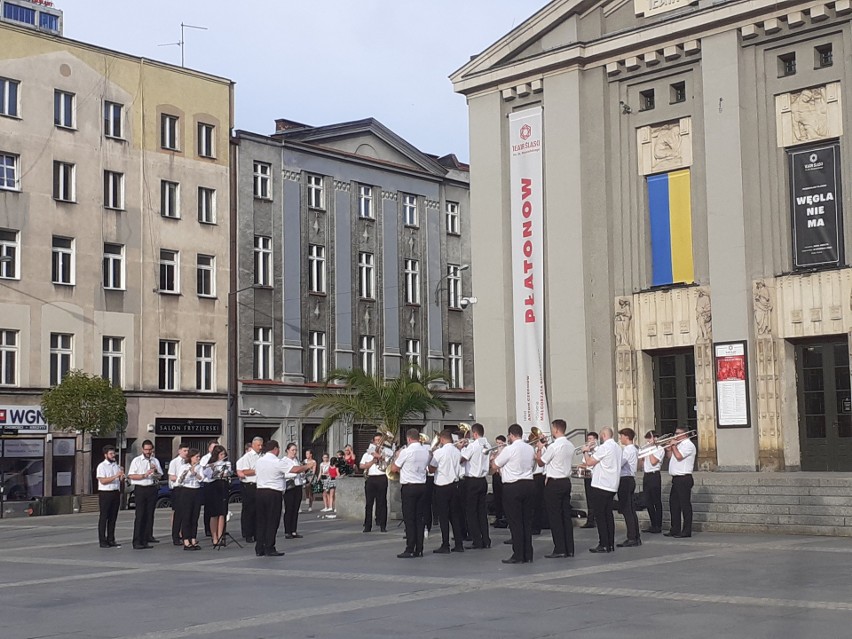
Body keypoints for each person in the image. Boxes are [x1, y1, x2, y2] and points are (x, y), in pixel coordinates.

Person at [492, 424, 535, 564]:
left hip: (513, 486)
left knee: (515, 521)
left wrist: (495, 456)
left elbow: (495, 466)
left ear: (511, 435)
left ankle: (518, 554)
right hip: (528, 484)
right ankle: (528, 554)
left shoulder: (509, 449)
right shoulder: (530, 448)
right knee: (526, 521)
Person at [390, 428, 431, 559]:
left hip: (409, 487)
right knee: (420, 518)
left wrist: (397, 455)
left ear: (408, 438)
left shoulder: (406, 451)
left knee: (409, 519)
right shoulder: (426, 451)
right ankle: (419, 548)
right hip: (422, 486)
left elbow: (394, 468)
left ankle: (410, 548)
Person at [536, 419, 574, 558]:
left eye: (552, 429)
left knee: (555, 517)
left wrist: (540, 449)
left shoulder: (554, 446)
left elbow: (541, 462)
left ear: (556, 429)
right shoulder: (569, 444)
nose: (552, 431)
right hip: (565, 481)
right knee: (565, 515)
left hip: (554, 482)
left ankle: (559, 548)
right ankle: (569, 548)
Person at [582, 426, 621, 553]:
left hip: (601, 485)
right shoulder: (617, 447)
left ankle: (603, 543)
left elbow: (589, 462)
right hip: (612, 484)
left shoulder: (605, 447)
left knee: (601, 516)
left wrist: (585, 451)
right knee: (608, 515)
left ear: (604, 435)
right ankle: (610, 543)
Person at [429, 430, 464, 554]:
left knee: (443, 517)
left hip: (442, 486)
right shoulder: (457, 451)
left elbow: (432, 469)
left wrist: (431, 456)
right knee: (455, 516)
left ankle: (445, 544)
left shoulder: (439, 452)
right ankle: (459, 544)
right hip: (455, 485)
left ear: (442, 439)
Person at [254, 440, 288, 557]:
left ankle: (259, 547)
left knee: (261, 520)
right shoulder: (276, 461)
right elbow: (293, 470)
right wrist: (307, 466)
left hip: (260, 491)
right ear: (275, 449)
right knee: (272, 520)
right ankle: (269, 546)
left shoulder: (259, 461)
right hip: (273, 492)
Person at [460, 423, 491, 549]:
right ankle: (486, 539)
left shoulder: (473, 446)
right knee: (482, 512)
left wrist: (461, 447)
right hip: (482, 480)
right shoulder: (487, 444)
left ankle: (477, 540)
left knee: (471, 512)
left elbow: (462, 459)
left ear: (475, 433)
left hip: (472, 480)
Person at [127, 439, 162, 550]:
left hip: (152, 488)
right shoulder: (136, 461)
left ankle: (146, 539)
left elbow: (160, 475)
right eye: (146, 449)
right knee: (140, 515)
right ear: (142, 449)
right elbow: (131, 476)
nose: (148, 452)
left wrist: (155, 471)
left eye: (150, 449)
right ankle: (137, 541)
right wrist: (144, 475)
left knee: (149, 514)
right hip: (141, 489)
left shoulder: (155, 460)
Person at [665, 427, 696, 538]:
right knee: (674, 505)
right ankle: (675, 529)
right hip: (676, 479)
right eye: (675, 433)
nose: (675, 435)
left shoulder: (689, 445)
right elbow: (670, 457)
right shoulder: (679, 445)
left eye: (678, 433)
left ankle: (686, 530)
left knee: (685, 505)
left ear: (685, 434)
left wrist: (673, 446)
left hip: (684, 478)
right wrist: (669, 449)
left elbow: (679, 457)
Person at [359, 433, 390, 533]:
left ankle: (383, 525)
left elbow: (389, 463)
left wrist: (380, 457)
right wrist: (373, 461)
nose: (378, 442)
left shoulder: (386, 451)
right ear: (373, 441)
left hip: (382, 477)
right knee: (369, 503)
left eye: (379, 440)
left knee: (382, 503)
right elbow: (361, 466)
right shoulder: (367, 454)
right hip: (371, 478)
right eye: (376, 440)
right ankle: (367, 526)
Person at [616, 428, 641, 548]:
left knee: (627, 510)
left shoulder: (627, 450)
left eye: (621, 436)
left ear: (626, 436)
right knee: (630, 509)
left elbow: (619, 464)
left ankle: (631, 537)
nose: (620, 439)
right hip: (629, 479)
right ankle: (635, 536)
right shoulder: (634, 449)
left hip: (625, 480)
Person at [176, 448, 205, 550]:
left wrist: (195, 474)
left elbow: (202, 479)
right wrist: (186, 474)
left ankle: (193, 538)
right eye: (196, 457)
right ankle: (186, 540)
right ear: (191, 458)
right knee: (186, 516)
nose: (198, 458)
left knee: (195, 516)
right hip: (186, 491)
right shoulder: (184, 467)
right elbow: (179, 481)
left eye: (199, 456)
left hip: (196, 491)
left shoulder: (199, 467)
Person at [96, 445, 124, 548]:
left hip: (115, 492)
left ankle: (111, 539)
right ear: (106, 455)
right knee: (104, 517)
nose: (113, 455)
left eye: (114, 453)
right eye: (111, 454)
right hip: (105, 493)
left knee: (113, 517)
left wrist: (121, 475)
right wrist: (115, 476)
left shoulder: (116, 465)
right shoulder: (101, 466)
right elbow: (103, 481)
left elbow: (120, 480)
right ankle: (102, 540)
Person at [203, 445, 231, 547]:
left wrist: (224, 472)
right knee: (214, 513)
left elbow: (227, 473)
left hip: (223, 486)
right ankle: (214, 537)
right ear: (216, 455)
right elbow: (207, 475)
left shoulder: (226, 463)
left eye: (224, 454)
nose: (223, 456)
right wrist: (212, 468)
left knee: (222, 513)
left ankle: (220, 536)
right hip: (213, 487)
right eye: (221, 454)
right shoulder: (210, 464)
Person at [282, 443, 312, 539]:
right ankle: (287, 531)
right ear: (287, 450)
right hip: (289, 486)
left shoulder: (297, 460)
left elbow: (300, 470)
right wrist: (295, 474)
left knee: (296, 509)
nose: (294, 452)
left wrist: (302, 475)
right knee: (289, 509)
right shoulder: (284, 461)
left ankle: (294, 530)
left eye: (295, 450)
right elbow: (284, 474)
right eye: (292, 450)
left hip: (298, 485)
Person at [236, 437, 263, 543]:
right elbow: (245, 471)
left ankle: (257, 533)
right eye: (258, 445)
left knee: (258, 511)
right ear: (253, 445)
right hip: (249, 485)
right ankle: (248, 533)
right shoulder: (247, 456)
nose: (260, 447)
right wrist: (258, 470)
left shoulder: (262, 456)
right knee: (249, 510)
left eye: (261, 445)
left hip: (259, 485)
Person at [641, 431, 665, 534]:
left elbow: (653, 462)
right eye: (647, 439)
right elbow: (642, 462)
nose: (648, 441)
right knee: (648, 501)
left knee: (656, 501)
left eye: (649, 439)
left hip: (654, 475)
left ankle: (658, 525)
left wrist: (650, 450)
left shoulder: (660, 449)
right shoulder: (647, 449)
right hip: (646, 475)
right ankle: (652, 524)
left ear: (655, 439)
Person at [167, 443, 190, 545]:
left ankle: (185, 535)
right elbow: (172, 476)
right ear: (179, 451)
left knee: (186, 513)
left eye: (187, 451)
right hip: (177, 488)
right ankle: (175, 536)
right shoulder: (174, 462)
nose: (186, 453)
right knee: (177, 514)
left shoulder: (188, 462)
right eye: (184, 451)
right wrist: (182, 477)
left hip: (186, 489)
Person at [199, 439, 219, 538]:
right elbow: (202, 470)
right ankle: (208, 529)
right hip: (208, 484)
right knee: (209, 507)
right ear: (209, 448)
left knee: (218, 507)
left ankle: (218, 529)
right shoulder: (205, 458)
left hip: (218, 483)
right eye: (213, 447)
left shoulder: (219, 457)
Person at [579, 431, 599, 529]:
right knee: (589, 498)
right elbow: (585, 463)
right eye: (588, 439)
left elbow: (591, 463)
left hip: (596, 476)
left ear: (595, 440)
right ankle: (590, 520)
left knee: (595, 498)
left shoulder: (599, 450)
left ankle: (595, 518)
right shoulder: (587, 450)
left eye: (591, 439)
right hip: (588, 476)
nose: (589, 441)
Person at [490, 435, 507, 528]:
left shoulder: (506, 451)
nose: (498, 445)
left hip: (503, 476)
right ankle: (498, 516)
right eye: (497, 443)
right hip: (495, 475)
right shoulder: (495, 452)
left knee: (503, 497)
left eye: (500, 443)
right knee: (496, 497)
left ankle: (504, 517)